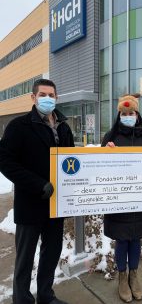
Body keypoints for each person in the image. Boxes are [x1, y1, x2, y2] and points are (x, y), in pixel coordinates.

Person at [0, 79, 74, 304]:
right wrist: (37, 184)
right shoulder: (18, 126)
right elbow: (5, 161)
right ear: (33, 98)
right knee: (25, 259)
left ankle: (45, 295)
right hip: (31, 204)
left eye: (52, 95)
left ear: (57, 98)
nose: (48, 99)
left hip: (56, 206)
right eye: (43, 95)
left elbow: (73, 162)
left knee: (50, 255)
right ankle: (22, 299)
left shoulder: (63, 127)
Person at [101, 94, 142, 303]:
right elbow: (100, 168)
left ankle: (134, 275)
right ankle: (122, 276)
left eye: (131, 113)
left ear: (137, 115)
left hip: (141, 199)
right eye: (124, 113)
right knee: (122, 239)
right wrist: (106, 153)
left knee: (136, 238)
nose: (128, 116)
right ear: (119, 115)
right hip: (119, 200)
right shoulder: (110, 136)